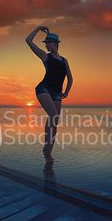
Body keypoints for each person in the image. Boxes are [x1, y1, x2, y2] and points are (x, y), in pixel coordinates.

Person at [25, 25, 73, 163]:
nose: (46, 45)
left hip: (57, 92)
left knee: (55, 122)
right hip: (44, 89)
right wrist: (38, 28)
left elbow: (70, 78)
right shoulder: (45, 56)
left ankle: (48, 152)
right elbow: (28, 40)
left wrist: (67, 92)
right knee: (52, 115)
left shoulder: (64, 61)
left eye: (49, 42)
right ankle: (46, 147)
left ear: (56, 44)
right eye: (45, 43)